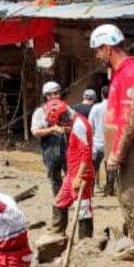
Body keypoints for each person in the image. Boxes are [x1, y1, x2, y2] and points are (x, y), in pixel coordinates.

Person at [92, 24, 134, 267]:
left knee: (132, 199)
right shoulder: (120, 73)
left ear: (108, 48)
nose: (98, 56)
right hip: (125, 147)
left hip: (133, 147)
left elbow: (130, 120)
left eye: (99, 50)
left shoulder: (130, 74)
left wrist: (116, 153)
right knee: (124, 199)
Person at [48, 100, 94, 239]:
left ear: (64, 117)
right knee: (59, 203)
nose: (61, 127)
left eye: (60, 123)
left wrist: (79, 177)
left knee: (83, 210)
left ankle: (85, 242)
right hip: (71, 173)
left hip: (80, 174)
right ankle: (58, 235)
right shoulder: (74, 124)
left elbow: (86, 154)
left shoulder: (79, 125)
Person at [31, 81, 69, 199]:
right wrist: (52, 129)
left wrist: (68, 129)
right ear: (46, 96)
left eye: (57, 93)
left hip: (67, 146)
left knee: (71, 175)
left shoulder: (66, 109)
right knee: (55, 178)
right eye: (52, 94)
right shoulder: (40, 112)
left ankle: (70, 200)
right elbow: (35, 131)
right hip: (50, 149)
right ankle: (59, 201)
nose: (55, 96)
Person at [88, 89, 108, 194]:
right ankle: (110, 188)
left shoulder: (96, 107)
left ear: (101, 95)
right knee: (110, 165)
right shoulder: (116, 107)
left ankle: (93, 188)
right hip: (111, 143)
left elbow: (90, 125)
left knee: (94, 166)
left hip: (98, 142)